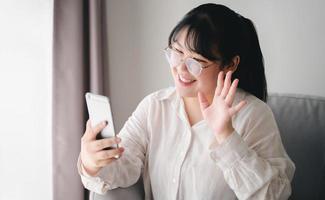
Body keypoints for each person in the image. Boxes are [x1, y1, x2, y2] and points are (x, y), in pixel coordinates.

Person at [78, 3, 295, 199]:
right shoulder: (155, 106)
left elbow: (274, 195)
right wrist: (92, 161)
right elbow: (124, 168)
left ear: (230, 64)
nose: (180, 68)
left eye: (196, 62)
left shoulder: (254, 115)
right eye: (177, 52)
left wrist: (226, 136)